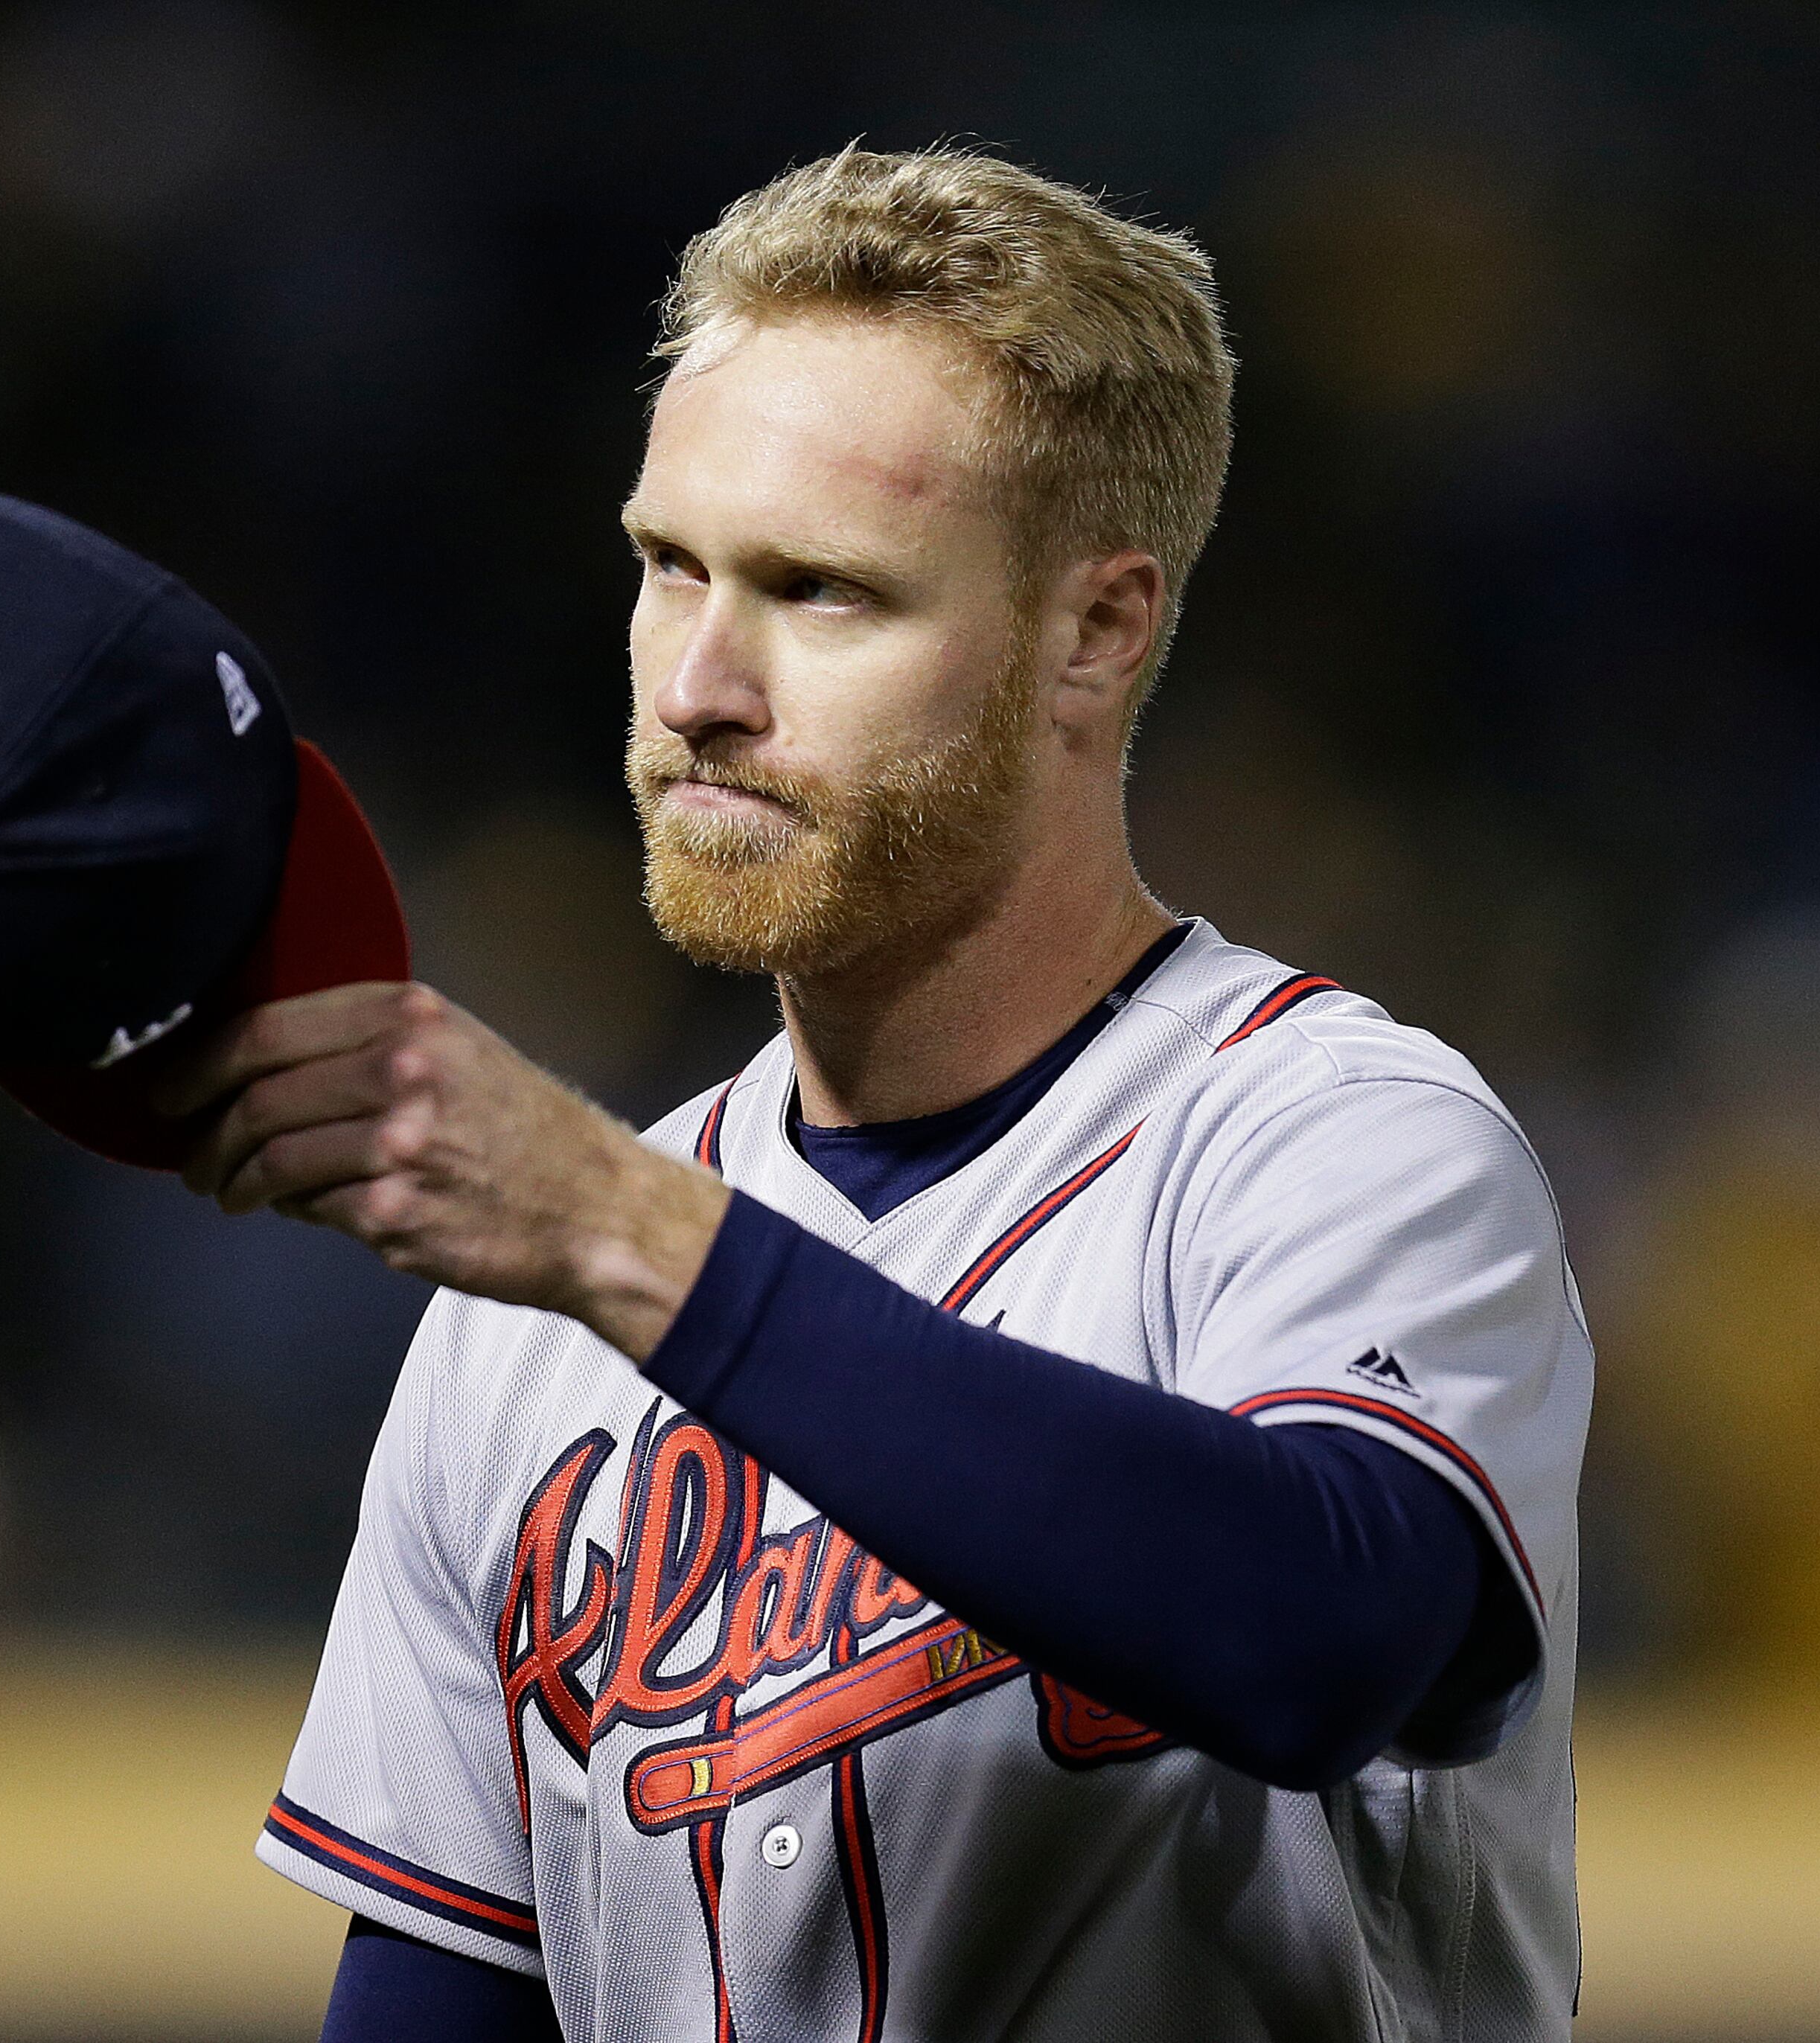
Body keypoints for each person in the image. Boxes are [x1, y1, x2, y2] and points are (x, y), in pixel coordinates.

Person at [159, 145, 1591, 2042]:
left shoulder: (1336, 1139)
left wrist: (624, 1235)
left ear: (1098, 633)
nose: (698, 683)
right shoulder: (519, 1329)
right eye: (669, 567)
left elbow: (1322, 1631)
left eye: (820, 591)